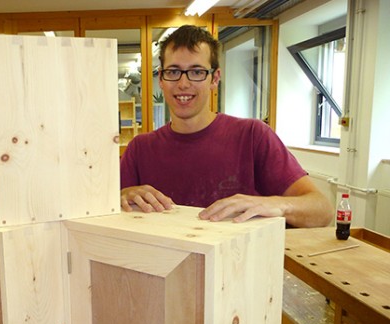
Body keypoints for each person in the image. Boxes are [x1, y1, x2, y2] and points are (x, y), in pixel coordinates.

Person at [120, 25, 333, 228]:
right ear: (161, 79)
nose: (183, 84)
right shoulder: (140, 149)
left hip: (237, 264)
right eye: (173, 71)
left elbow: (322, 211)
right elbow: (100, 212)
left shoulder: (252, 136)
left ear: (215, 78)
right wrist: (120, 198)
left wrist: (275, 204)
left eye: (196, 72)